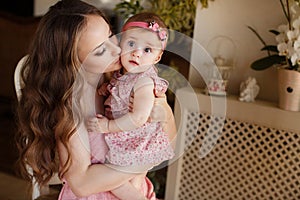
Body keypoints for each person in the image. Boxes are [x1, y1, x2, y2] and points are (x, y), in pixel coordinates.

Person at [15, 0, 177, 199]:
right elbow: (81, 185)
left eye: (111, 35)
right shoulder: (71, 110)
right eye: (101, 49)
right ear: (74, 61)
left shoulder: (121, 81)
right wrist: (144, 161)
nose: (118, 50)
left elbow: (168, 139)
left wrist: (164, 111)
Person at [86, 12, 175, 200]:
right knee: (124, 179)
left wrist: (108, 126)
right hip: (129, 138)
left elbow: (139, 117)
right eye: (131, 44)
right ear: (121, 44)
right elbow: (120, 90)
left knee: (116, 182)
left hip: (138, 141)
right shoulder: (126, 75)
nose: (136, 53)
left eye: (147, 50)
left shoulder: (144, 82)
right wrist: (107, 88)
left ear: (157, 58)